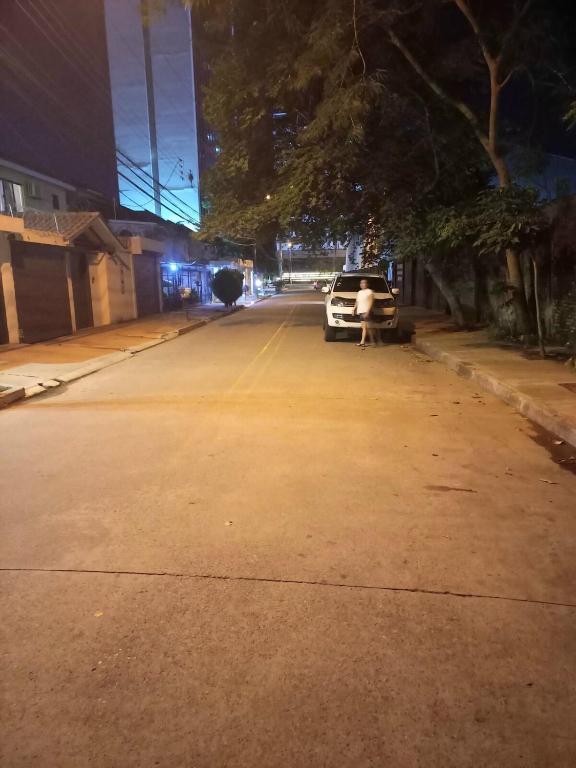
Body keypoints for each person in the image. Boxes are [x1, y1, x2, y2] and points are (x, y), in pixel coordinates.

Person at [353, 278, 378, 348]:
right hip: (361, 312)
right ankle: (363, 342)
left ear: (367, 284)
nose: (362, 284)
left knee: (369, 328)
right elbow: (357, 301)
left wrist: (367, 312)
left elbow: (371, 302)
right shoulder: (359, 292)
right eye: (361, 283)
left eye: (364, 283)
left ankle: (373, 342)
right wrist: (354, 309)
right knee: (364, 328)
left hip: (367, 312)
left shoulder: (369, 291)